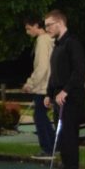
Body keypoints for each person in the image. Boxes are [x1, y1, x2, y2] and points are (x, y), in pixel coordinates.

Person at [42, 9, 85, 169]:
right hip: (58, 97)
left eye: (49, 25)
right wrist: (49, 93)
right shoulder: (58, 46)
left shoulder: (72, 43)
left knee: (69, 135)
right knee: (61, 136)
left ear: (60, 23)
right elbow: (55, 74)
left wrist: (65, 91)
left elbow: (79, 71)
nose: (47, 29)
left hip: (71, 97)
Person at [22, 14, 55, 158]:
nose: (28, 32)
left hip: (44, 86)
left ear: (36, 25)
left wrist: (30, 83)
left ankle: (47, 149)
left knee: (39, 116)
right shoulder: (50, 39)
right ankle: (54, 146)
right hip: (48, 84)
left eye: (29, 28)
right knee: (42, 116)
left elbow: (42, 66)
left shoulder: (42, 40)